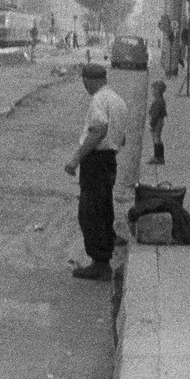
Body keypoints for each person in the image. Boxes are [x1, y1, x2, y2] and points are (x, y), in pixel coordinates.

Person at [64, 62, 129, 280]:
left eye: (85, 82)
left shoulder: (99, 99)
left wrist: (75, 159)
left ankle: (100, 263)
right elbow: (123, 136)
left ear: (90, 80)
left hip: (96, 160)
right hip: (109, 159)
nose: (85, 86)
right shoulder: (117, 99)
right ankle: (105, 252)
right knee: (104, 207)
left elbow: (99, 128)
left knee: (90, 212)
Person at [146, 80, 168, 165]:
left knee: (156, 139)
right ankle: (160, 157)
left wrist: (151, 124)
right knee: (157, 138)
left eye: (153, 89)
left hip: (157, 122)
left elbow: (155, 115)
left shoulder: (158, 101)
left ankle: (157, 157)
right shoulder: (160, 100)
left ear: (157, 91)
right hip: (160, 120)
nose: (152, 91)